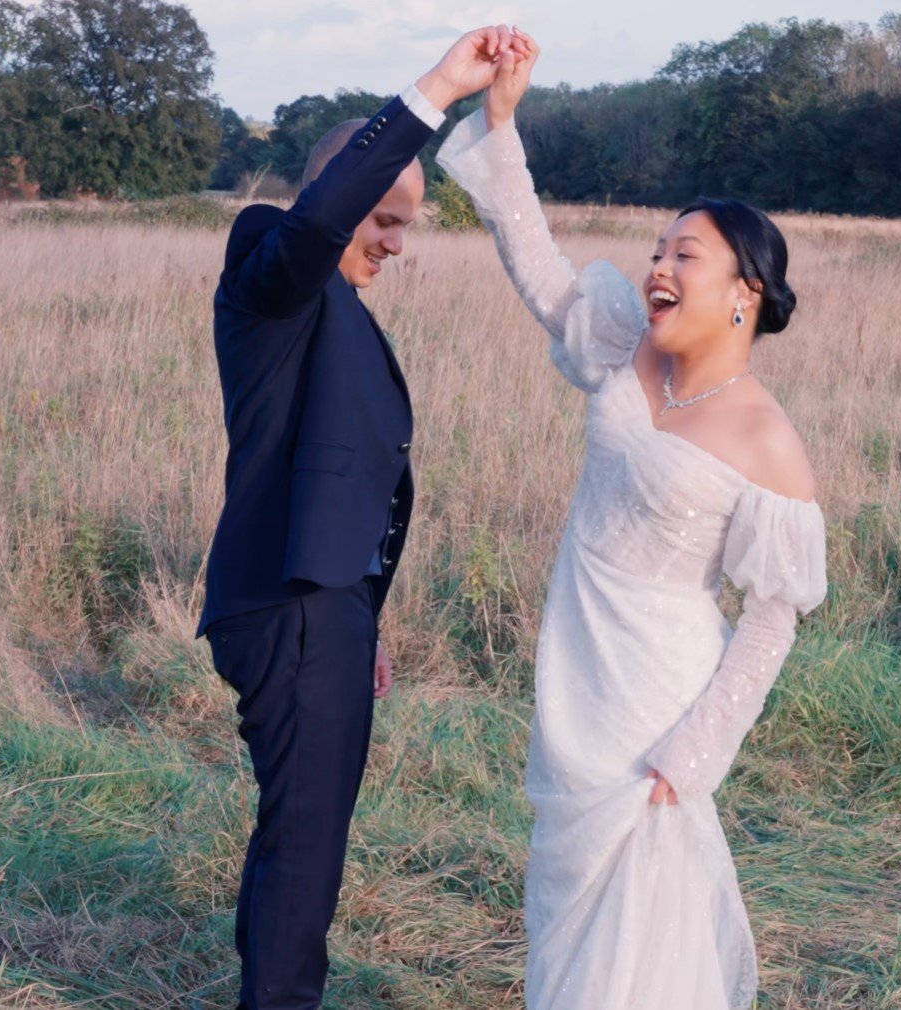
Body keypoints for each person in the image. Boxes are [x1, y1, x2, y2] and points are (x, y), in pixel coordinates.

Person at [436, 29, 830, 1009]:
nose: (657, 264)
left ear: (744, 290)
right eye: (656, 249)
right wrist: (501, 117)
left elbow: (772, 617)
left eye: (682, 254)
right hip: (577, 660)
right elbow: (533, 257)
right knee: (568, 899)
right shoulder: (626, 348)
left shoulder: (766, 442)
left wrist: (690, 754)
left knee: (643, 907)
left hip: (657, 693)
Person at [196, 25, 521, 1010]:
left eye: (404, 225)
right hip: (288, 603)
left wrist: (361, 613)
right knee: (305, 848)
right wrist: (434, 94)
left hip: (325, 606)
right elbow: (316, 222)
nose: (391, 241)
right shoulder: (271, 265)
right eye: (380, 216)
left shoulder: (330, 309)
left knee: (299, 830)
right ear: (334, 196)